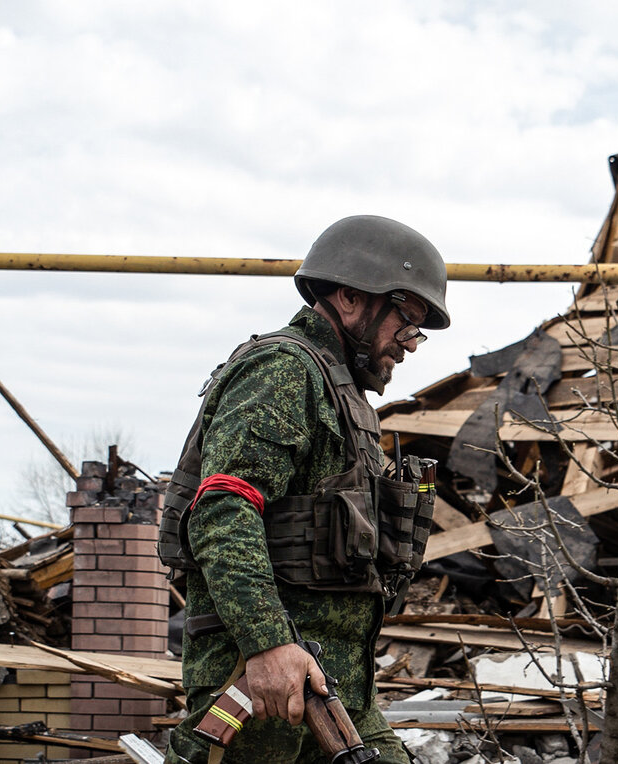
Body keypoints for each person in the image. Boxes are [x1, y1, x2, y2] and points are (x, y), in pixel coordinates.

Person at [160, 215, 450, 764]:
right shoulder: (284, 369)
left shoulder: (346, 396)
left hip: (333, 690)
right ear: (348, 298)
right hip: (260, 688)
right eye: (406, 321)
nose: (410, 345)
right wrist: (267, 643)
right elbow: (223, 509)